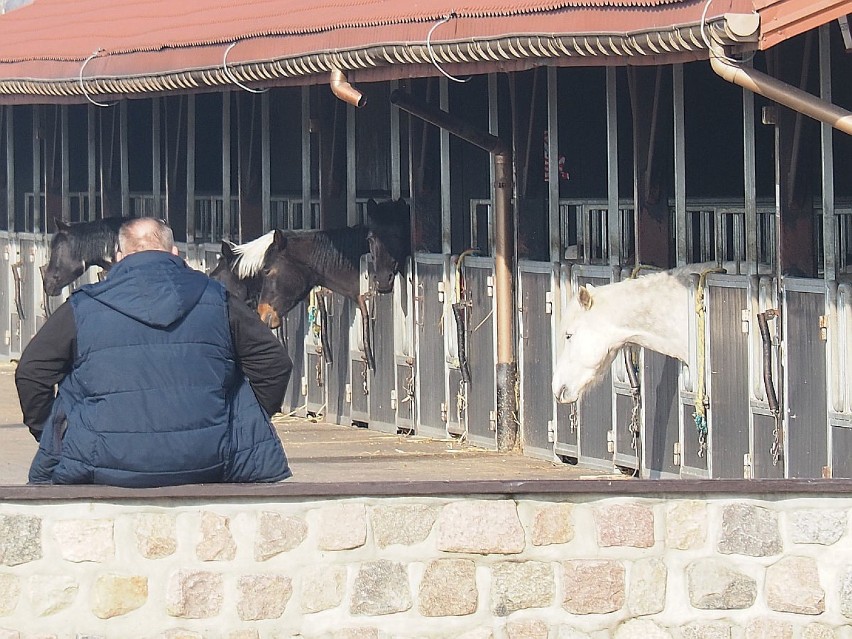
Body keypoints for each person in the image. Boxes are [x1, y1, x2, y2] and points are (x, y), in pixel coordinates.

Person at [16, 217, 293, 487]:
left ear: (118, 256)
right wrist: (242, 421)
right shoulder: (218, 299)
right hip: (209, 457)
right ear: (175, 252)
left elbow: (31, 374)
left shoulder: (83, 306)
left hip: (99, 458)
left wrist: (54, 434)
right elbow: (274, 364)